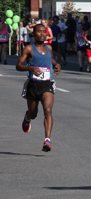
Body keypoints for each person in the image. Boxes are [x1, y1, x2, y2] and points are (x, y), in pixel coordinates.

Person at [16, 24, 61, 152]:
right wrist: (29, 67)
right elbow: (18, 65)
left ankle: (47, 140)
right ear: (34, 34)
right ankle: (27, 117)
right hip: (33, 84)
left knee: (48, 110)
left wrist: (56, 64)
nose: (42, 34)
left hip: (46, 83)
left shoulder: (49, 48)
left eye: (44, 32)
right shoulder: (29, 49)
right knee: (33, 113)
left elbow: (50, 59)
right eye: (39, 32)